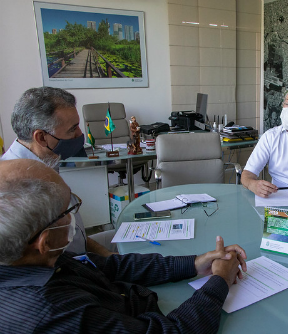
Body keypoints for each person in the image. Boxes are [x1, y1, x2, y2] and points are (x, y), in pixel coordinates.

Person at [0, 159, 247, 333]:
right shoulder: (55, 314)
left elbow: (110, 266)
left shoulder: (31, 257)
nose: (75, 213)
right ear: (44, 241)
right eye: (69, 208)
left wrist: (194, 263)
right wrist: (220, 281)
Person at [1, 87, 112, 256]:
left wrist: (108, 256)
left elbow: (72, 235)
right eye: (72, 129)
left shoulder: (48, 162)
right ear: (41, 137)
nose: (80, 134)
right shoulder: (16, 187)